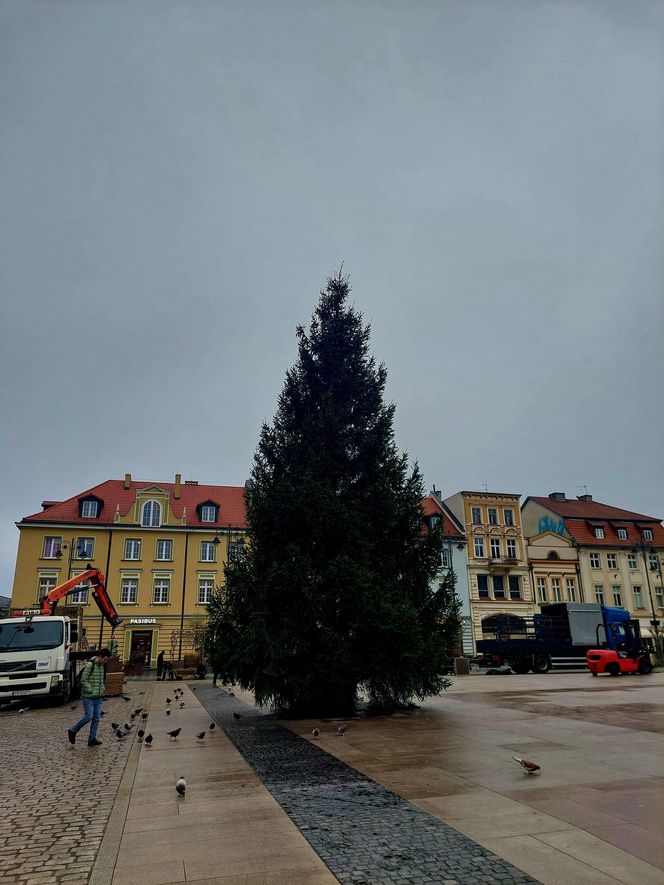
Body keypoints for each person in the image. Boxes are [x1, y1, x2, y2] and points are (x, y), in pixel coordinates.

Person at [67, 648, 112, 747]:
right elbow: (83, 680)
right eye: (105, 659)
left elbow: (101, 680)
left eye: (107, 660)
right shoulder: (89, 665)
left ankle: (92, 738)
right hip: (89, 697)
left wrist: (102, 689)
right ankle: (72, 730)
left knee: (96, 718)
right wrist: (91, 690)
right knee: (88, 716)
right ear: (100, 656)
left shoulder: (101, 667)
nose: (106, 661)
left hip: (98, 697)